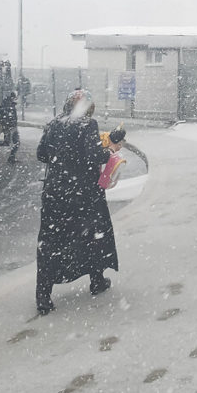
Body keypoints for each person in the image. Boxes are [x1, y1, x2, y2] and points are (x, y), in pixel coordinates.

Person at [34, 89, 124, 316]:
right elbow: (93, 155)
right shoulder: (87, 125)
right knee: (92, 236)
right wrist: (110, 150)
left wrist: (62, 158)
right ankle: (97, 281)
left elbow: (42, 154)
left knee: (51, 242)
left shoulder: (54, 124)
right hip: (83, 195)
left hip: (55, 195)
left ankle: (43, 295)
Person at [0, 92, 20, 163]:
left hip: (12, 126)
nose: (15, 100)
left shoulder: (8, 104)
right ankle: (11, 157)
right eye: (14, 98)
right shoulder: (7, 104)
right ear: (12, 97)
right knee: (15, 142)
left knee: (13, 142)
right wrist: (4, 123)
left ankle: (12, 157)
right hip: (10, 126)